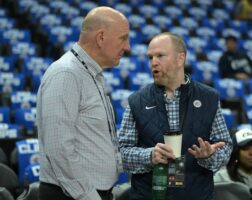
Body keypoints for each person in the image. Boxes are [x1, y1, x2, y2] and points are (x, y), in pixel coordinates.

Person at [118, 32, 233, 200]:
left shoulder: (209, 97)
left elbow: (225, 147)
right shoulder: (137, 101)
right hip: (149, 195)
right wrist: (149, 156)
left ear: (180, 59)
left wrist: (209, 156)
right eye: (150, 57)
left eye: (160, 56)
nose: (153, 63)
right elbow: (122, 154)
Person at [37, 7, 130, 200]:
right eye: (123, 38)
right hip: (73, 196)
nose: (127, 47)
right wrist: (88, 196)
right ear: (101, 38)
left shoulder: (89, 74)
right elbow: (59, 149)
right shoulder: (66, 74)